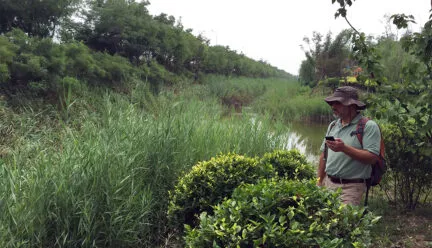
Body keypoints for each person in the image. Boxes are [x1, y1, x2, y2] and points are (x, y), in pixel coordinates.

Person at [317, 86, 381, 206]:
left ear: (352, 105)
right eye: (332, 103)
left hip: (351, 187)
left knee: (342, 222)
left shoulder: (368, 126)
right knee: (323, 221)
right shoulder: (333, 126)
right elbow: (323, 155)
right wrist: (319, 181)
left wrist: (344, 148)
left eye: (338, 103)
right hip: (328, 183)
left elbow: (372, 157)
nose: (333, 106)